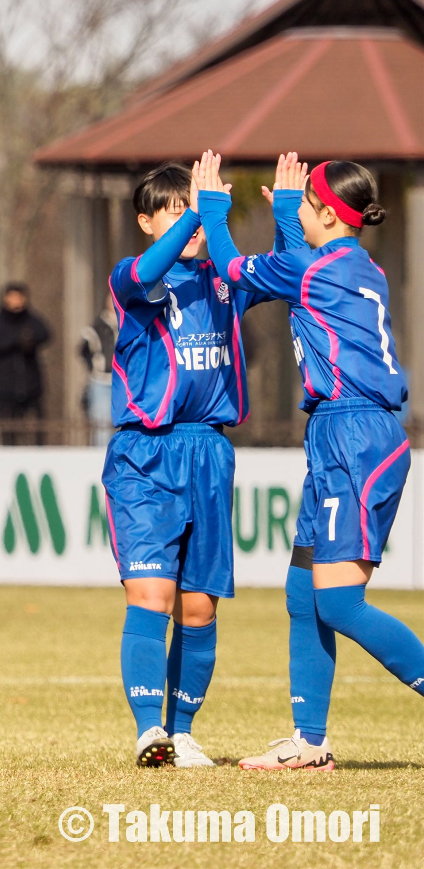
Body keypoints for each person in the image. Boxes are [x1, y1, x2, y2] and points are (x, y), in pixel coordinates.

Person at [197, 154, 424, 770]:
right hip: (339, 435)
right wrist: (290, 219)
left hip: (354, 438)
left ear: (326, 213)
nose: (296, 209)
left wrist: (213, 207)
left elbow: (234, 268)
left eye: (305, 205)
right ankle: (309, 741)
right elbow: (293, 272)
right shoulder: (348, 263)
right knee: (304, 592)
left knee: (338, 603)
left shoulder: (315, 266)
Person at [102, 153, 272, 769]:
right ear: (147, 221)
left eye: (190, 207)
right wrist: (198, 210)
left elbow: (279, 269)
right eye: (172, 210)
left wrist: (277, 209)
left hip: (209, 450)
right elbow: (149, 268)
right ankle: (150, 730)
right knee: (152, 596)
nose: (188, 220)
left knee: (199, 607)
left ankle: (184, 730)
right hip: (146, 454)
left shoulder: (226, 277)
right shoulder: (134, 275)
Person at [0, 284, 51, 444]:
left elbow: (46, 334)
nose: (16, 302)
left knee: (37, 425)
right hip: (6, 385)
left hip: (31, 383)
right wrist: (16, 340)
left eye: (19, 297)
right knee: (7, 427)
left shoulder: (31, 319)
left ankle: (39, 451)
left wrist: (29, 339)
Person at [79, 300, 117, 446]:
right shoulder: (97, 326)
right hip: (101, 381)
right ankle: (101, 460)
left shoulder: (130, 322)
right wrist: (95, 365)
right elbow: (83, 350)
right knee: (102, 426)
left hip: (126, 381)